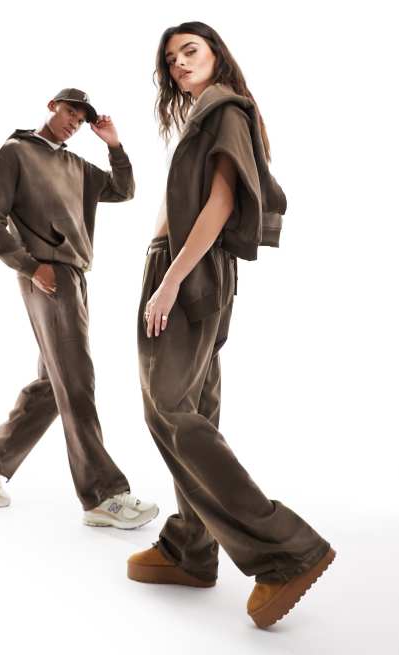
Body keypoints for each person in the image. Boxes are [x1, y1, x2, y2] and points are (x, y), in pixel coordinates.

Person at [126, 23, 336, 628]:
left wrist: (169, 280)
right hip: (192, 268)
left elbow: (221, 203)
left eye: (190, 50)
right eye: (171, 59)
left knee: (169, 409)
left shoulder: (223, 109)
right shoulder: (211, 112)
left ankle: (286, 550)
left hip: (185, 268)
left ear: (217, 54)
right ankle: (192, 548)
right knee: (195, 406)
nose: (179, 63)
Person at [0, 88, 158, 530]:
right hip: (46, 276)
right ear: (53, 106)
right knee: (78, 380)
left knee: (56, 383)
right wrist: (31, 267)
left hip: (75, 275)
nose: (73, 122)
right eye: (70, 112)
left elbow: (123, 190)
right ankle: (102, 496)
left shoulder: (76, 166)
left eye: (81, 119)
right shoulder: (15, 152)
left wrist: (114, 145)